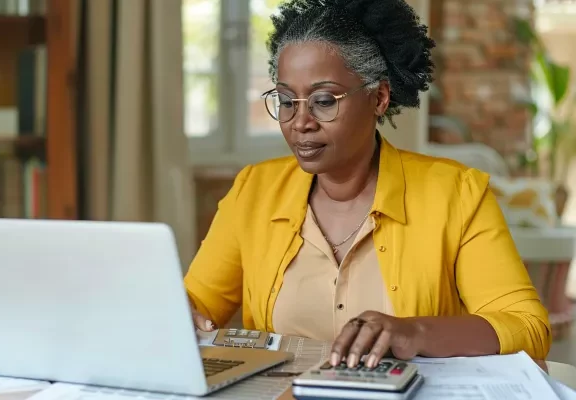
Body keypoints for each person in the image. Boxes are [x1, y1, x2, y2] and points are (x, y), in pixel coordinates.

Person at [184, 0, 551, 369]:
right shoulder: (254, 191)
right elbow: (195, 304)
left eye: (323, 100)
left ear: (379, 97)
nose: (300, 122)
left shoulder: (457, 194)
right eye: (286, 101)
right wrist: (177, 312)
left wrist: (414, 332)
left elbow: (527, 327)